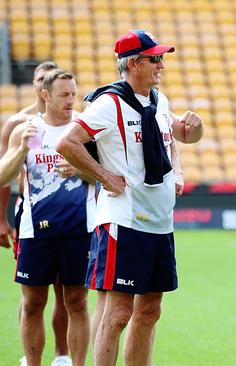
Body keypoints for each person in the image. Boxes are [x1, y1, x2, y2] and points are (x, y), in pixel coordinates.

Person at [56, 29, 203, 366]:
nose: (162, 65)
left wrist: (195, 130)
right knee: (119, 312)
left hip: (160, 221)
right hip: (123, 220)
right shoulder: (109, 103)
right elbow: (67, 143)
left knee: (151, 310)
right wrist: (104, 175)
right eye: (156, 59)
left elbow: (181, 137)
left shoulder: (159, 101)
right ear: (134, 63)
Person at [0, 70, 94, 366]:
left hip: (79, 228)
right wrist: (22, 151)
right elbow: (3, 176)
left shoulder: (85, 130)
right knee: (33, 304)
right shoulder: (26, 130)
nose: (70, 100)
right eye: (64, 95)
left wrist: (79, 168)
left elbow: (106, 177)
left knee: (77, 303)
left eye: (73, 94)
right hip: (34, 231)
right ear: (45, 95)